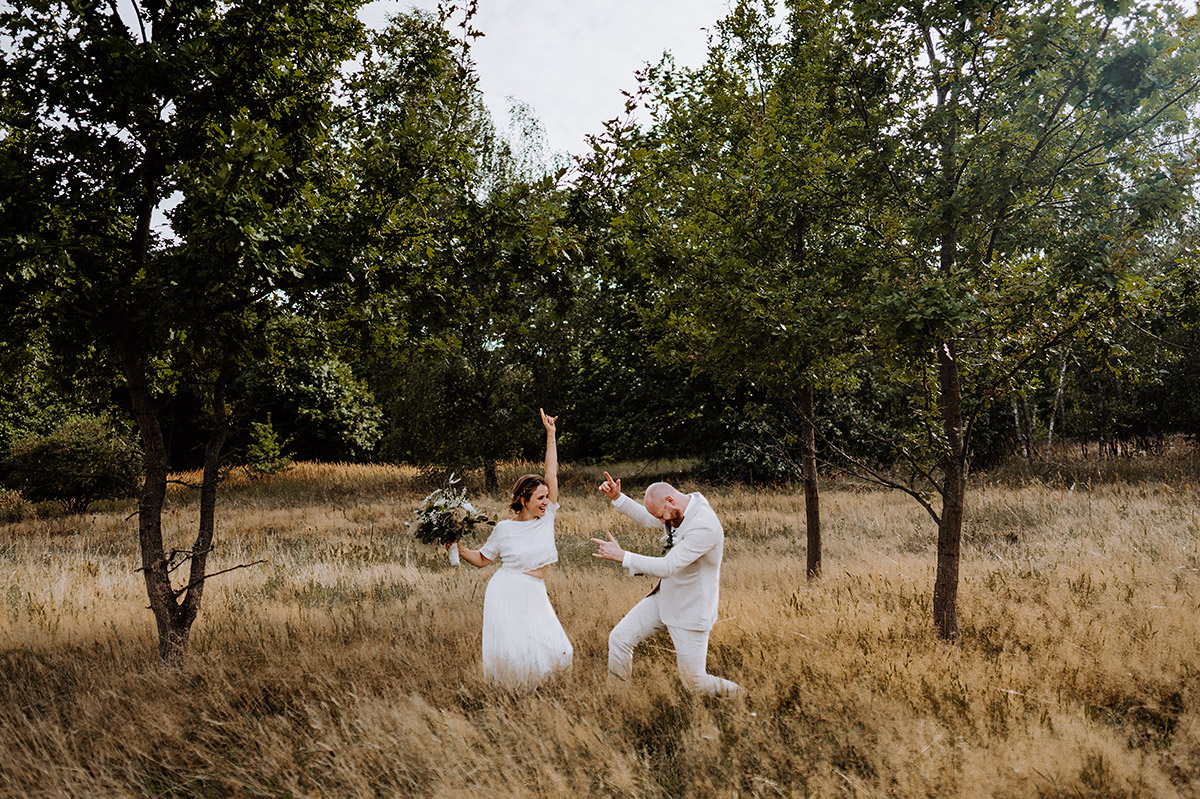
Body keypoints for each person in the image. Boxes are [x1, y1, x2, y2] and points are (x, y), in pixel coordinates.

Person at [591, 473, 742, 696]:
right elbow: (647, 517)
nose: (662, 522)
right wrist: (618, 497)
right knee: (619, 639)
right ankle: (616, 701)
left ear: (670, 501)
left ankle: (745, 697)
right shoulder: (678, 507)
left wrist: (623, 556)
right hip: (665, 597)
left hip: (690, 609)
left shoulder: (704, 527)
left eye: (662, 517)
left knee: (695, 682)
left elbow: (667, 567)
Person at [454, 409, 572, 688]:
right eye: (539, 497)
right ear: (523, 499)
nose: (546, 501)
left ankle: (542, 693)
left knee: (559, 649)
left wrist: (551, 435)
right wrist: (460, 549)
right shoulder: (504, 529)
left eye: (547, 497)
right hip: (506, 591)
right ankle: (514, 698)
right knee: (517, 653)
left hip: (535, 591)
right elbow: (483, 560)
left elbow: (551, 472)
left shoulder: (548, 517)